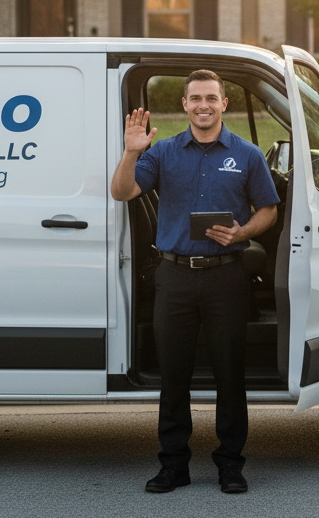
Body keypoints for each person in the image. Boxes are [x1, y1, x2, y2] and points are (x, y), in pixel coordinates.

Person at [110, 69, 279, 495]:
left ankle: (230, 465)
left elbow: (269, 210)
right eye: (195, 98)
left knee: (229, 373)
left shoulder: (248, 155)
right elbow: (121, 192)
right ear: (184, 105)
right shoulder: (162, 152)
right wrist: (131, 152)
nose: (203, 105)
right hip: (175, 278)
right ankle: (174, 465)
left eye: (211, 98)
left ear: (224, 104)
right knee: (174, 375)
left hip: (226, 276)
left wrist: (242, 233)